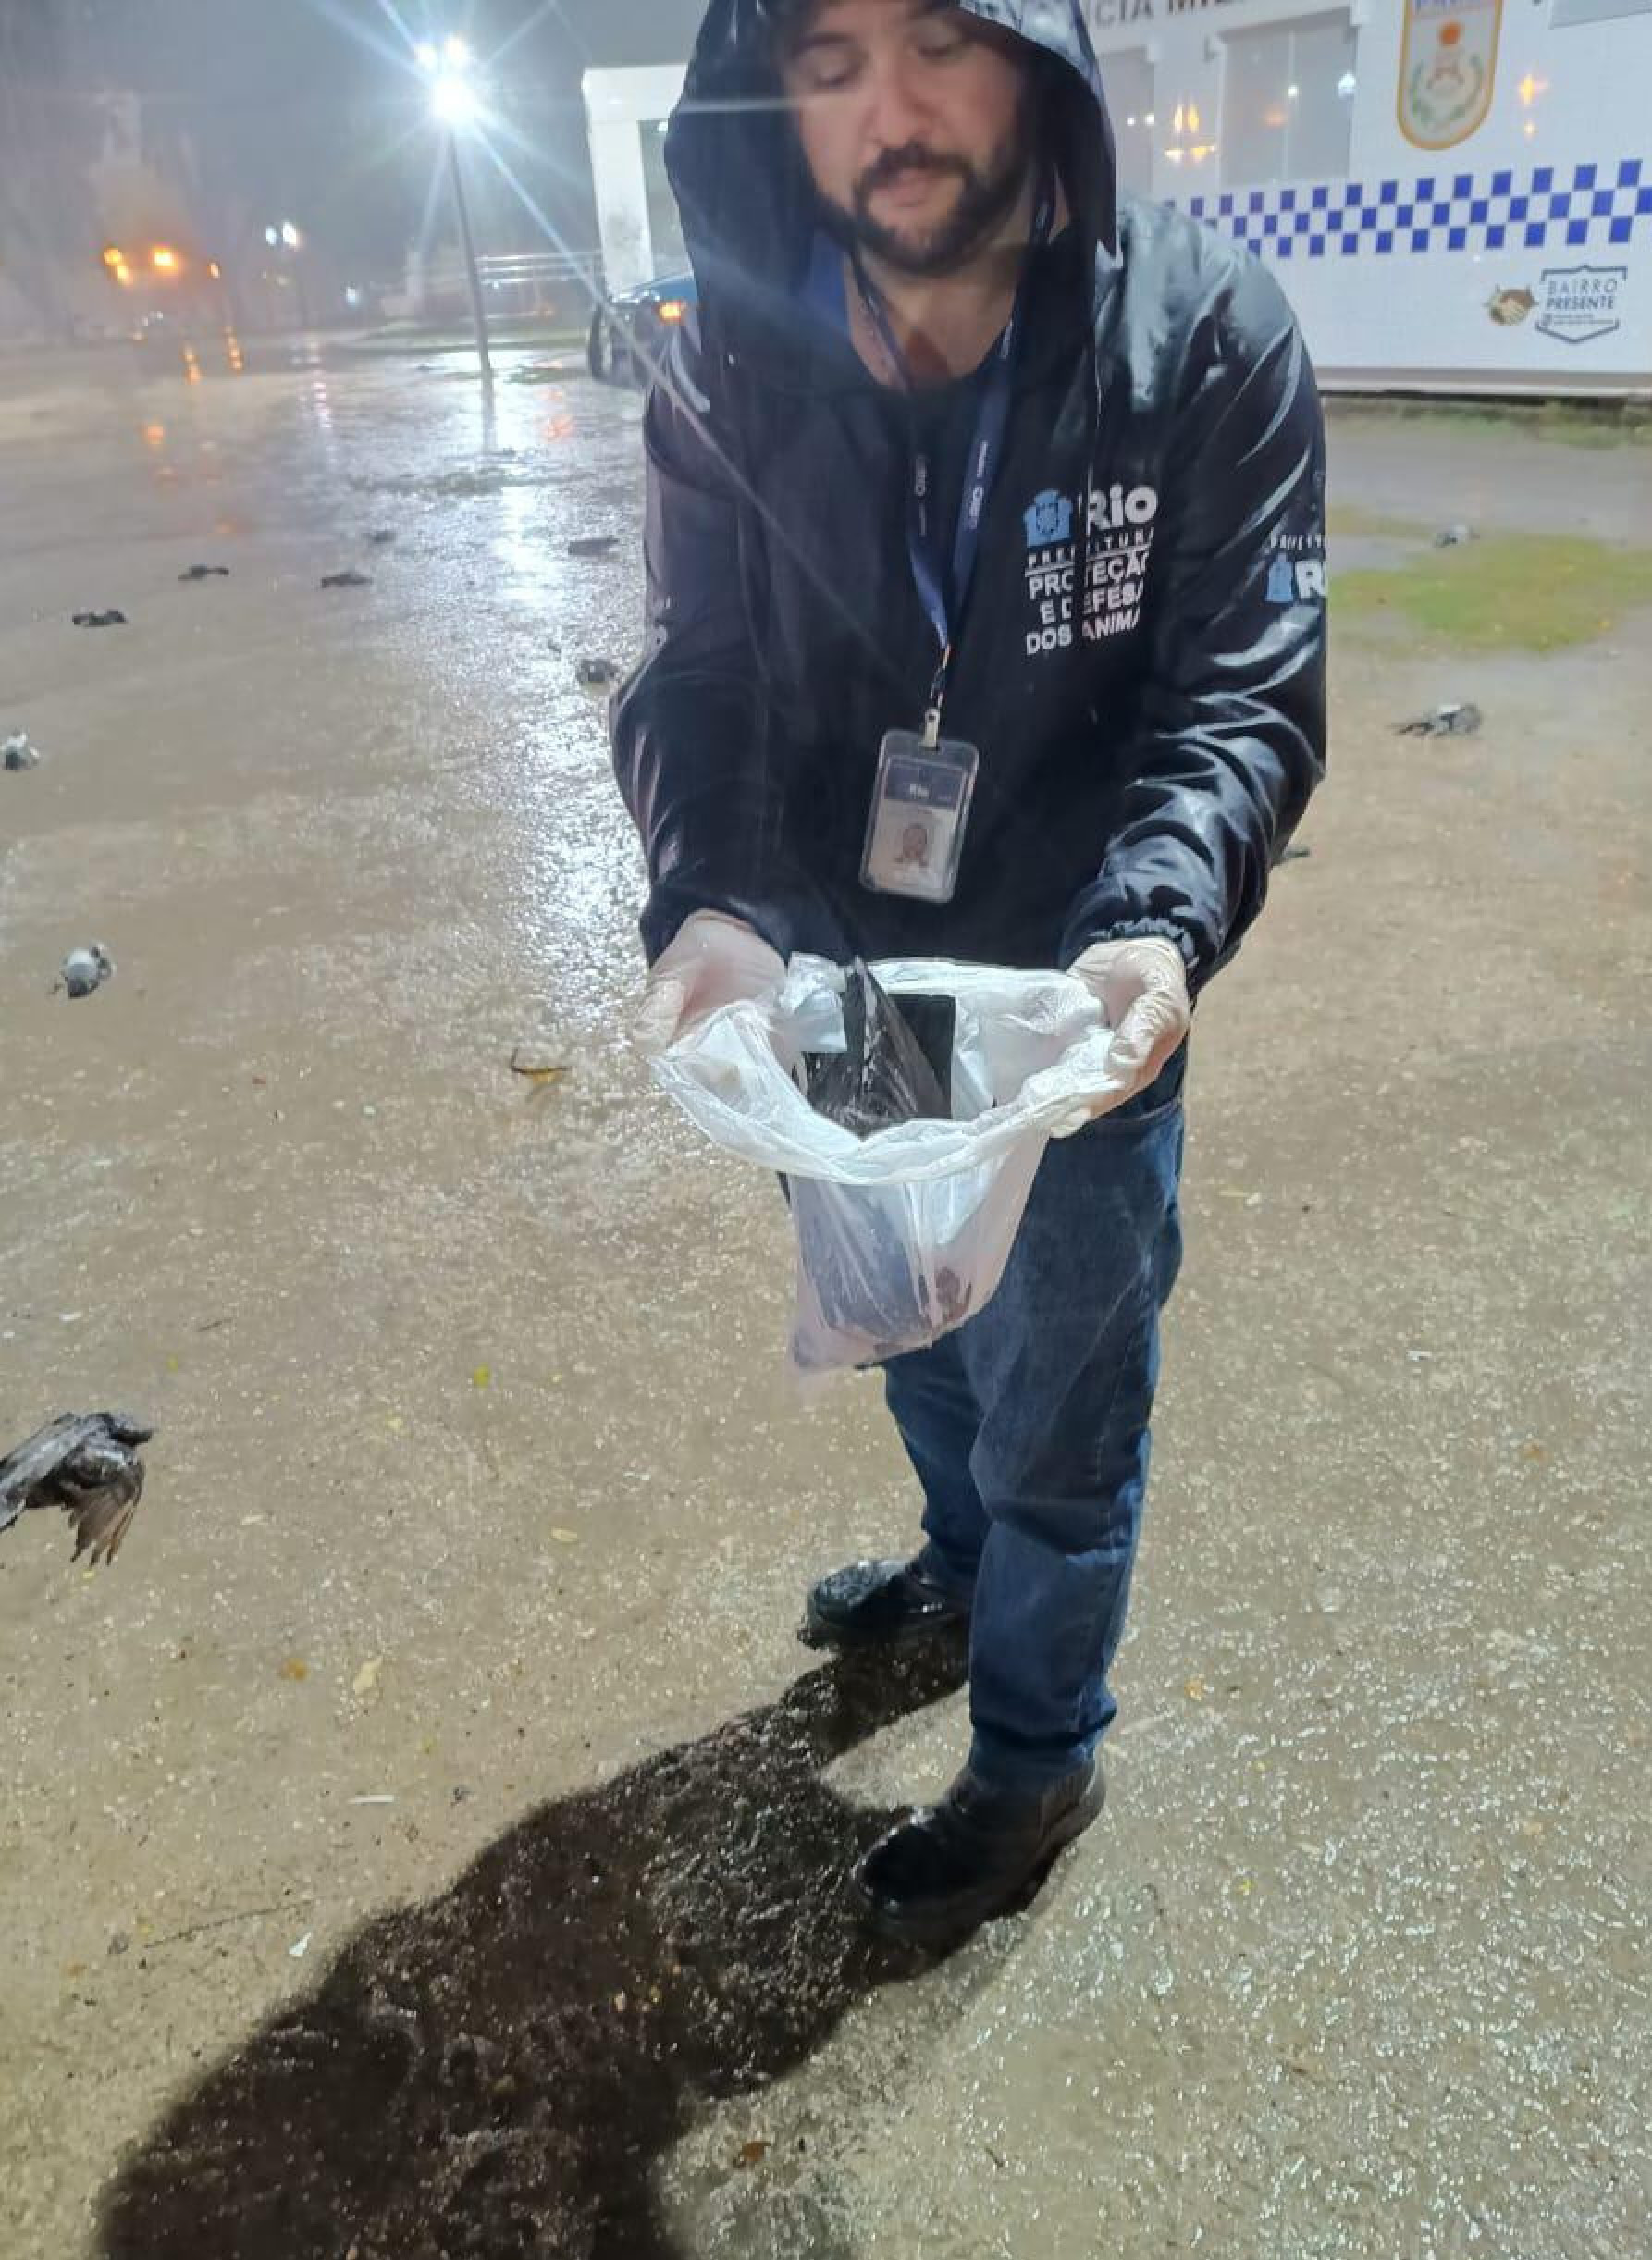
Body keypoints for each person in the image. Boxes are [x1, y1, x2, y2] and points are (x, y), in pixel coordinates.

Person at [613, 0, 1325, 1950]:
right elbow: (700, 669)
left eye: (940, 38)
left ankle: (1034, 1758)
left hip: (1074, 1019)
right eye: (829, 58)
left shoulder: (1203, 339)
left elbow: (1240, 697)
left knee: (1065, 1414)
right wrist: (716, 904)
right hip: (848, 992)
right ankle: (951, 1561)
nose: (891, 109)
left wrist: (1154, 926)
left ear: (1041, 62)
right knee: (912, 1323)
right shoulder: (726, 357)